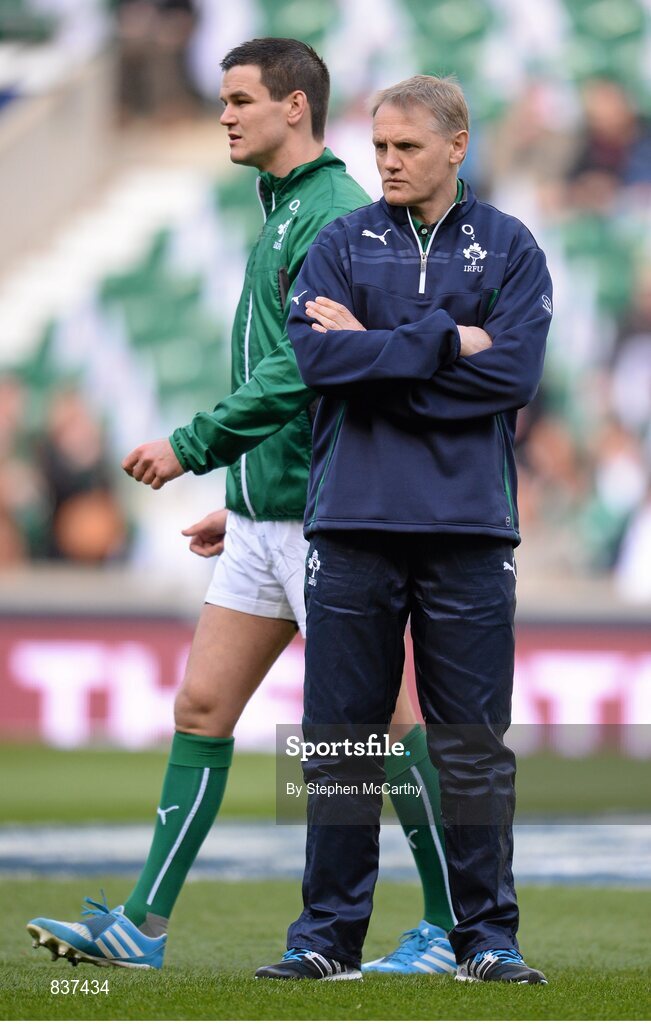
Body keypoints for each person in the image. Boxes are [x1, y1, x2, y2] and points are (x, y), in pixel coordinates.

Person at [27, 41, 456, 977]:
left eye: (239, 100)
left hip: (330, 523)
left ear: (295, 107)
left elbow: (308, 369)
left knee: (383, 728)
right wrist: (247, 491)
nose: (223, 114)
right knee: (203, 706)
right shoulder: (284, 210)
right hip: (268, 517)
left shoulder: (337, 214)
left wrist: (197, 446)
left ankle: (455, 929)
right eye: (222, 100)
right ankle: (142, 924)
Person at [256, 74, 552, 983]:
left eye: (406, 148)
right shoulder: (341, 241)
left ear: (456, 145)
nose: (385, 162)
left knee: (470, 745)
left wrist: (375, 351)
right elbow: (314, 358)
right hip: (349, 521)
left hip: (467, 528)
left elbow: (510, 378)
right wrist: (441, 339)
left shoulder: (509, 246)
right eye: (378, 146)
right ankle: (325, 941)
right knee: (342, 741)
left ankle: (487, 941)